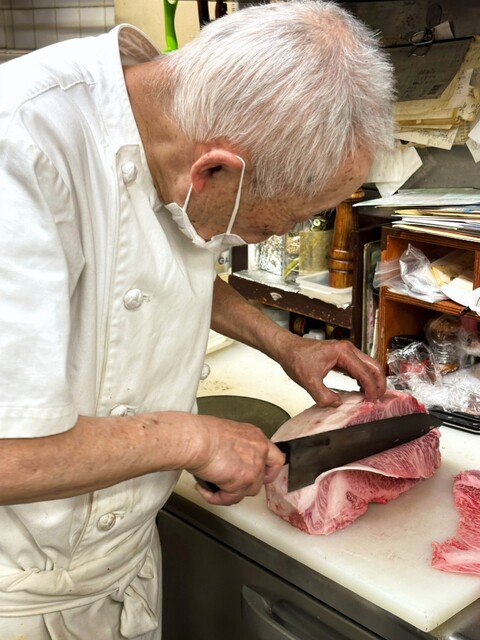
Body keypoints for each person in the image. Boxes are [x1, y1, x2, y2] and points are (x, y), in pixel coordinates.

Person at [0, 1, 395, 637]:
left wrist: (285, 345)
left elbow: (168, 269)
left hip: (120, 565)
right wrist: (194, 440)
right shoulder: (19, 149)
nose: (280, 235)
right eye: (280, 223)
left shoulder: (179, 117)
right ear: (213, 171)